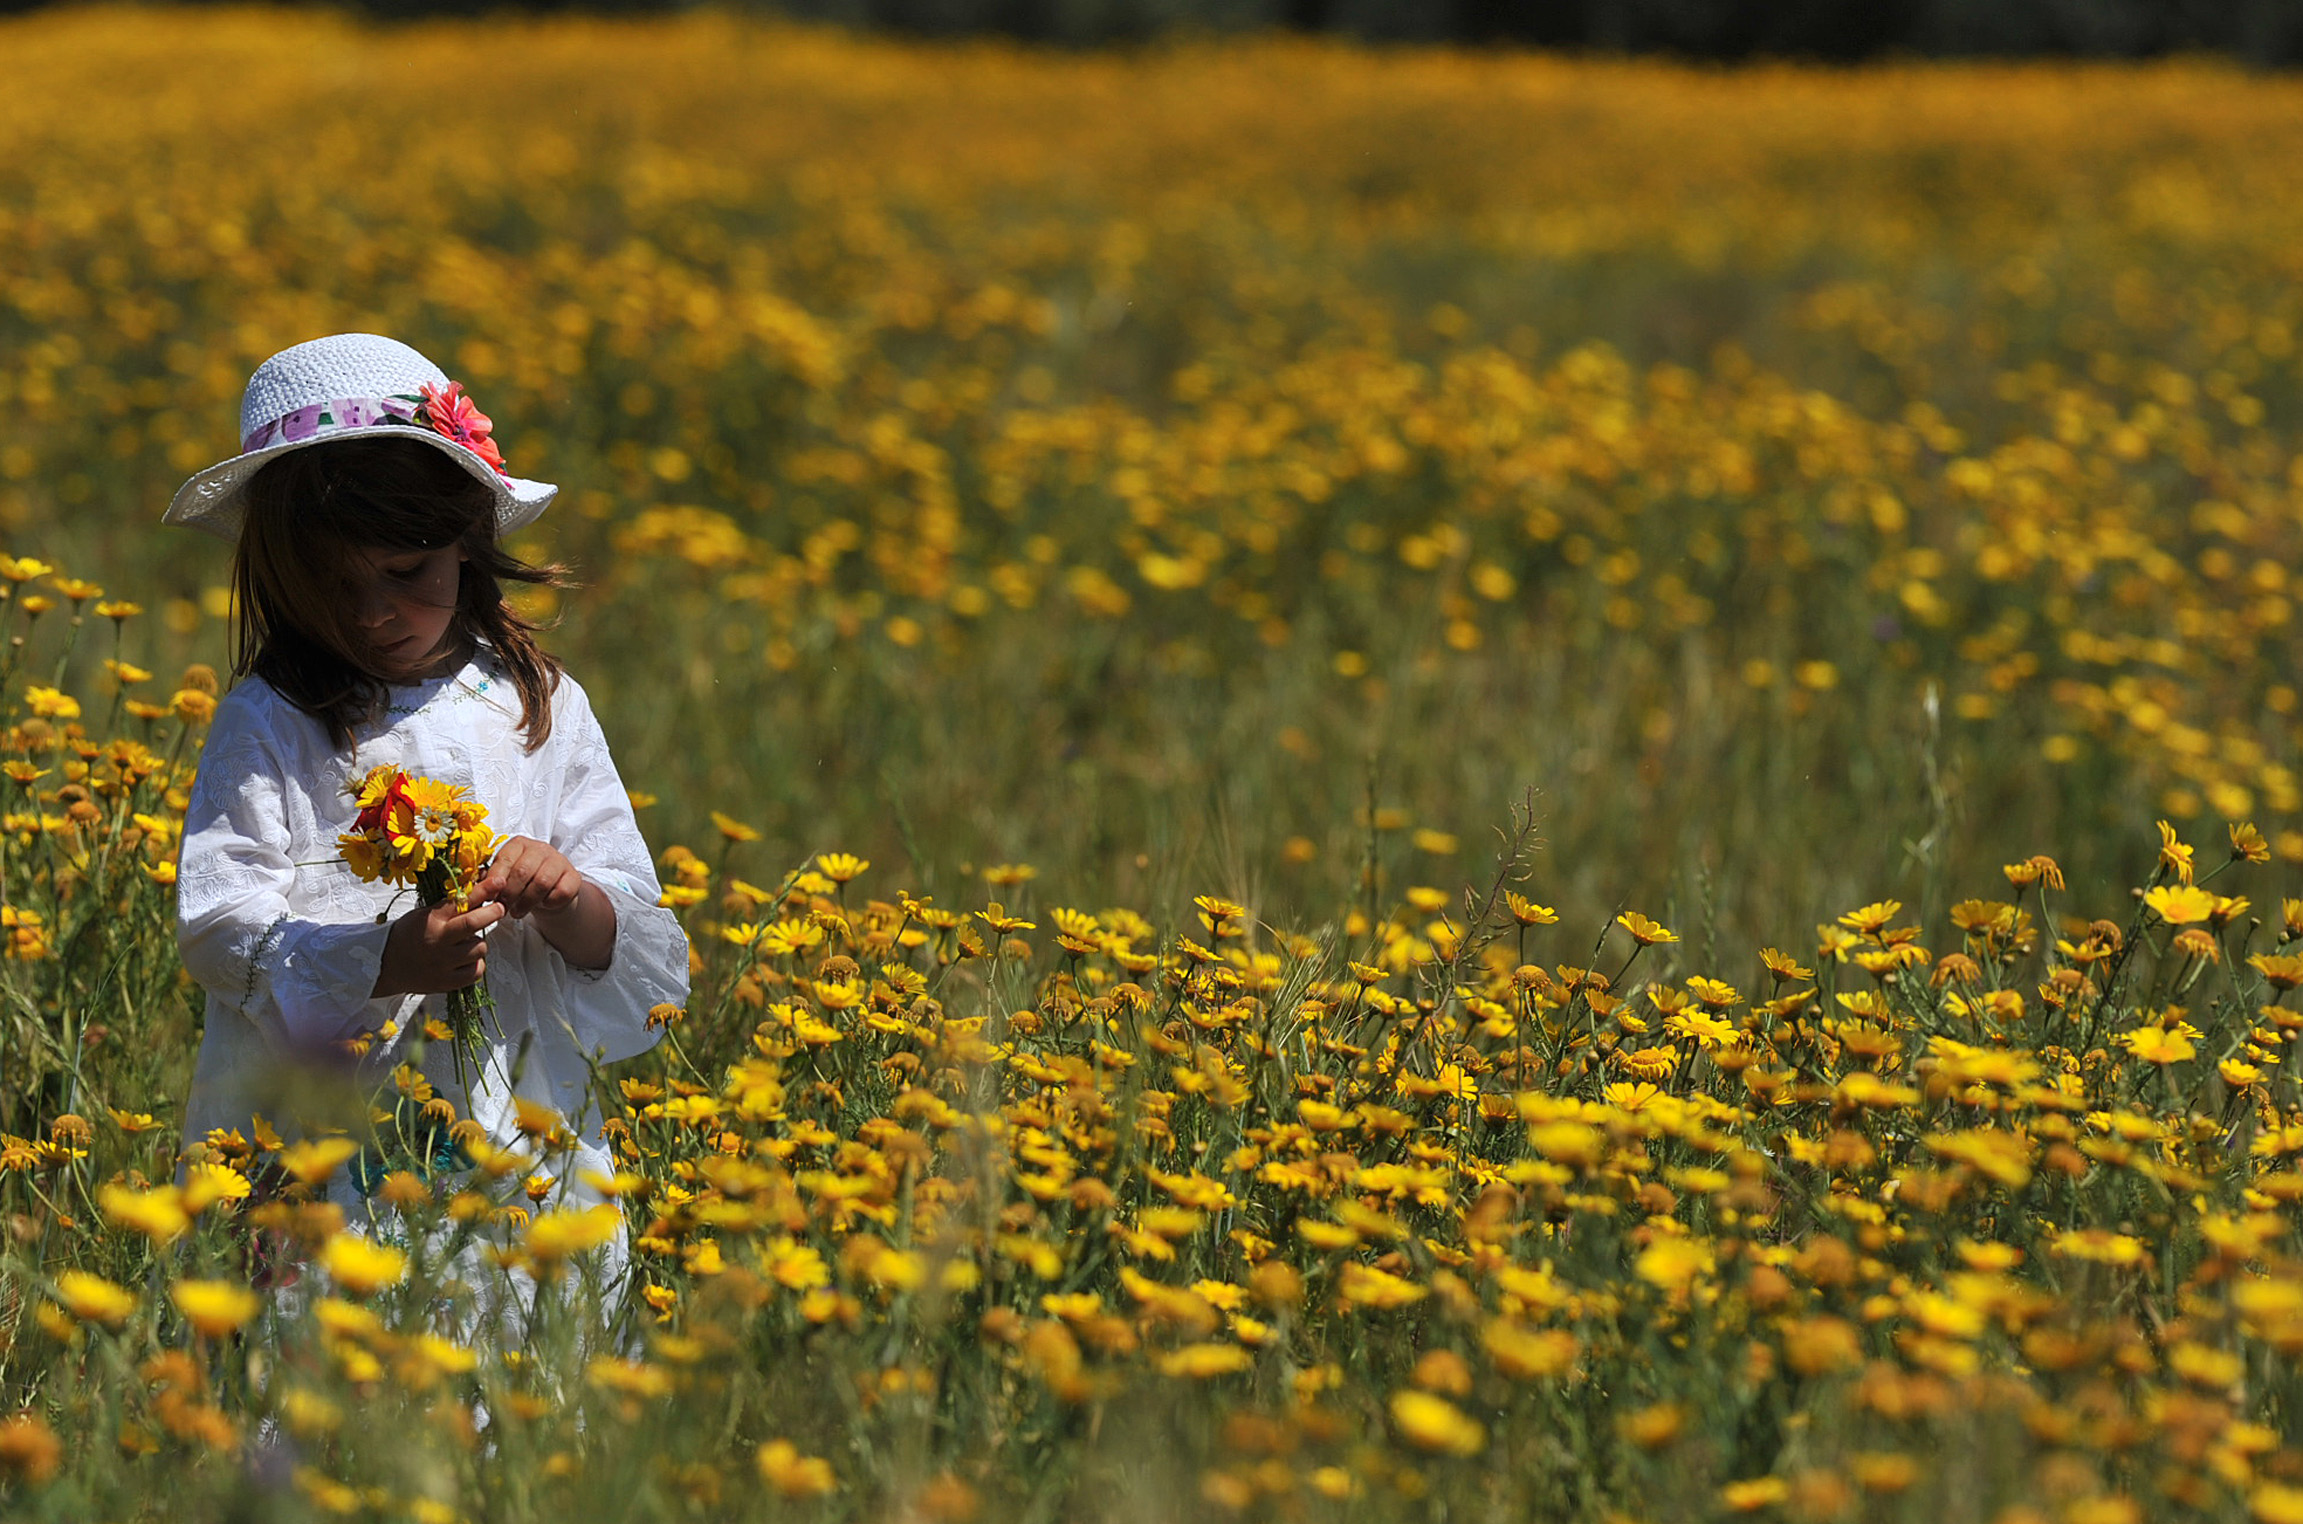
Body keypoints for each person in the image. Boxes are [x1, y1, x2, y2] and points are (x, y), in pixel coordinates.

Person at [164, 333, 689, 1310]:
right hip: (322, 1113)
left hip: (512, 1102)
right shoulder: (270, 718)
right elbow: (220, 923)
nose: (373, 614)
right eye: (334, 584)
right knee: (328, 1341)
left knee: (510, 1323)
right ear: (277, 575)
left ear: (467, 544)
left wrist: (567, 898)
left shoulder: (533, 702)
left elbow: (629, 905)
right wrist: (381, 961)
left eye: (408, 572)